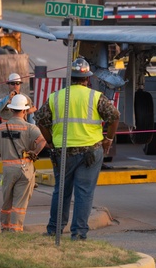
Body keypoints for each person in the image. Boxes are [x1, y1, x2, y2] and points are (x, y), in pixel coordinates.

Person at [35, 57, 119, 241]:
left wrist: (49, 140)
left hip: (62, 152)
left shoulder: (56, 97)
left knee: (61, 190)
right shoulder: (95, 97)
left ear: (69, 78)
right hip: (90, 151)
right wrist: (108, 139)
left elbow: (39, 119)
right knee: (84, 192)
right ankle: (78, 234)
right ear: (87, 79)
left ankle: (54, 230)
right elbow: (114, 116)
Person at [0, 94, 46, 232]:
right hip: (24, 169)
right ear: (25, 111)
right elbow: (42, 141)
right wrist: (35, 152)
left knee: (7, 201)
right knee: (19, 204)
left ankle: (5, 229)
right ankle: (15, 230)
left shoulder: (1, 128)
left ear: (11, 110)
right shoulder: (30, 128)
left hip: (8, 170)